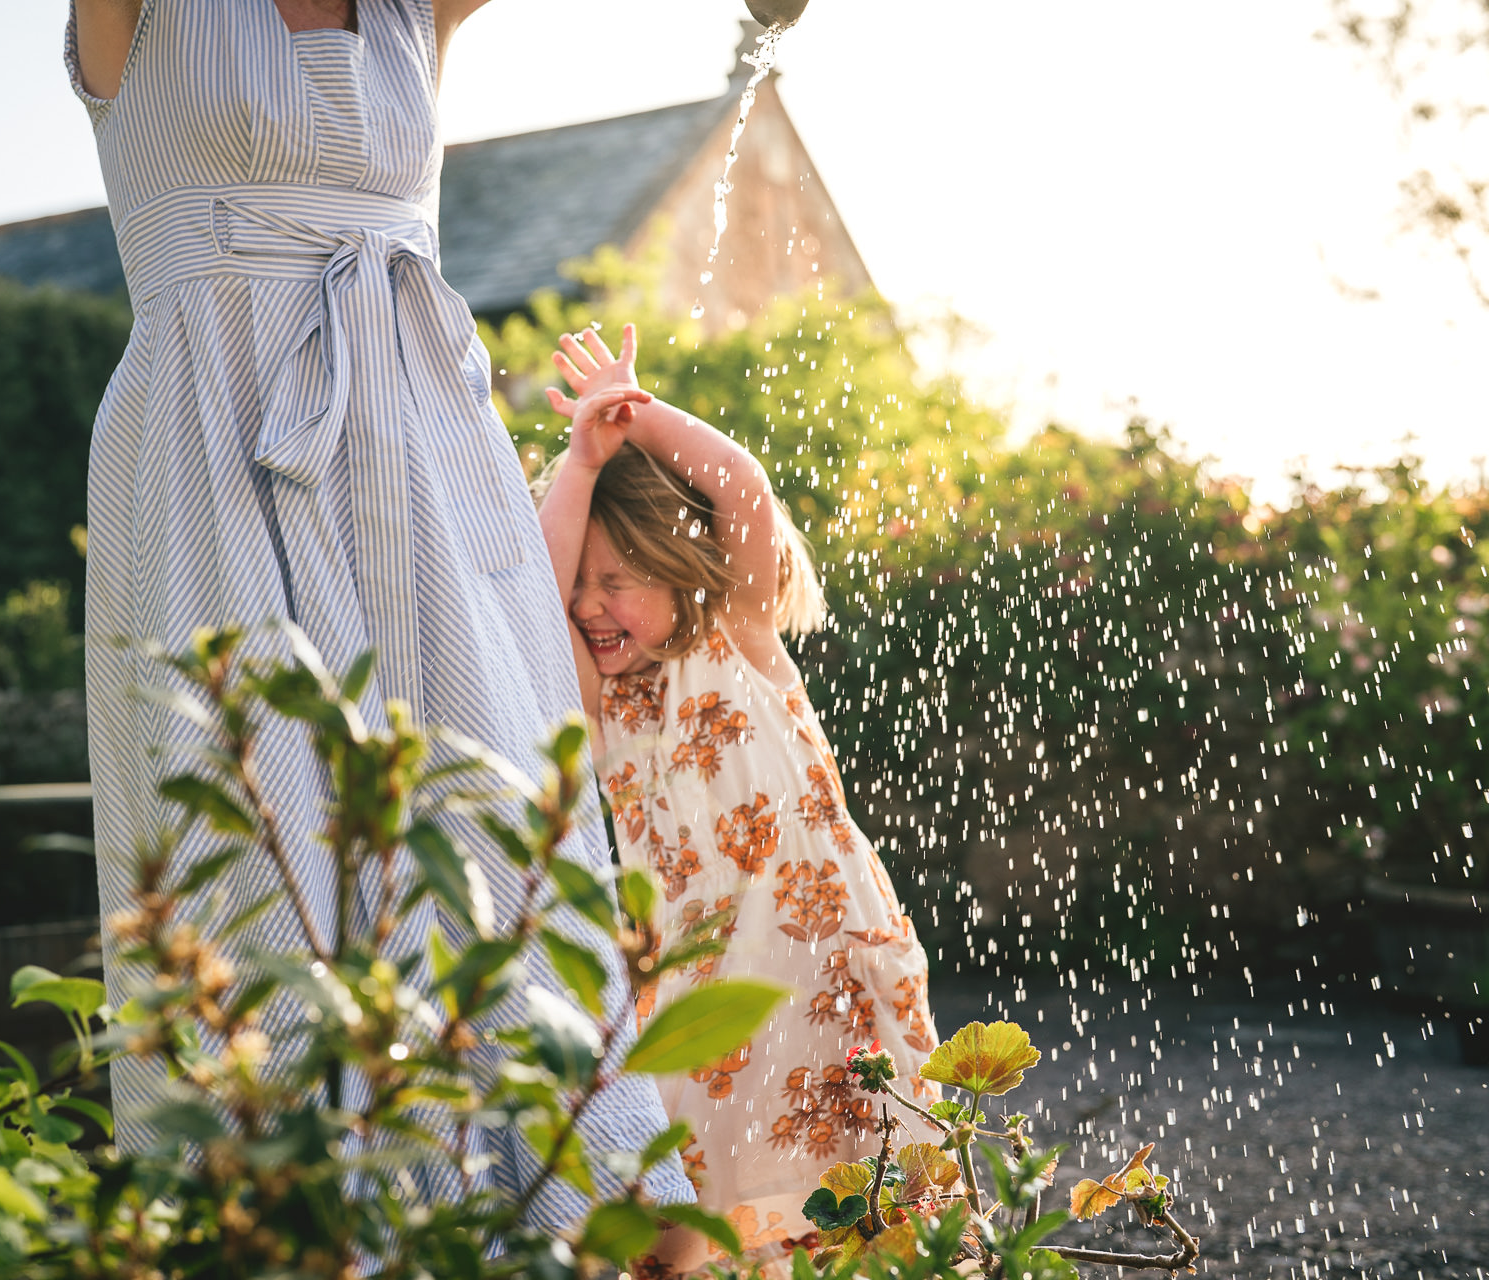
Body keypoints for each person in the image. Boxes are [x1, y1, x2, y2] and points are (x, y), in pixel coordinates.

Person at [65, 0, 690, 1225]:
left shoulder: (416, 11)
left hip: (425, 461)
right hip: (215, 457)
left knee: (503, 816)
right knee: (253, 841)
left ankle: (591, 1215)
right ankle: (303, 1228)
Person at [533, 324, 941, 1273]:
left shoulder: (737, 624)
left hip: (819, 958)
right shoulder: (599, 702)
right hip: (691, 983)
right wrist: (580, 466)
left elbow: (740, 487)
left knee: (862, 1178)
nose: (591, 606)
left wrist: (637, 415)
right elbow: (537, 595)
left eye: (619, 581)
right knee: (689, 1193)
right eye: (579, 589)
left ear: (679, 569)